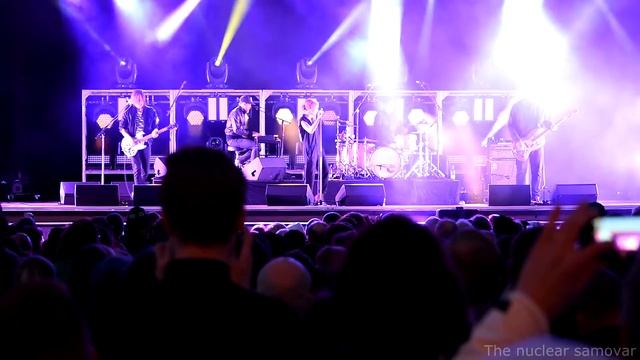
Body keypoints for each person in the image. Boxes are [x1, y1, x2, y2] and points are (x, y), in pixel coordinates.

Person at [119, 89, 159, 184]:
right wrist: (130, 139)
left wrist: (155, 131)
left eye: (141, 100)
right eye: (138, 100)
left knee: (146, 171)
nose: (140, 102)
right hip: (132, 143)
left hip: (145, 143)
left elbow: (155, 126)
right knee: (137, 169)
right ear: (133, 100)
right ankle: (138, 192)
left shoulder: (151, 111)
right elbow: (121, 127)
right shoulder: (128, 111)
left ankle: (141, 188)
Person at [299, 98, 328, 204]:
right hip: (310, 148)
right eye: (316, 108)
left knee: (325, 170)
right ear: (310, 108)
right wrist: (318, 118)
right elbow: (310, 130)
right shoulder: (303, 120)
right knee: (310, 174)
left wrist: (318, 118)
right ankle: (308, 198)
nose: (317, 110)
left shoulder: (315, 118)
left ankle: (320, 195)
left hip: (319, 147)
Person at [225, 95, 259, 166]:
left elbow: (242, 129)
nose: (250, 107)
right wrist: (250, 133)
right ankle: (251, 167)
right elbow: (236, 130)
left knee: (258, 147)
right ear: (244, 104)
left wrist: (252, 133)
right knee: (255, 146)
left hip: (239, 137)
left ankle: (240, 159)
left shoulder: (243, 113)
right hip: (232, 139)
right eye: (249, 105)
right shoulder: (235, 113)